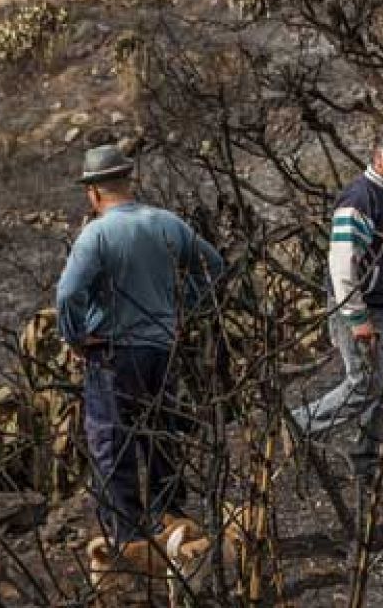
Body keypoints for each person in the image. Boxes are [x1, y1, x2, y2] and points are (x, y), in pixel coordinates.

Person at [57, 143, 224, 553]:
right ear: (128, 181)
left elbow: (67, 294)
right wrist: (184, 306)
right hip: (163, 350)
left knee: (112, 442)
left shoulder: (96, 234)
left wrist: (76, 337)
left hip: (113, 354)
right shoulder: (168, 223)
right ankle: (176, 526)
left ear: (93, 192)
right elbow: (215, 267)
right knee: (161, 433)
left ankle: (129, 540)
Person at [292, 123, 383, 488]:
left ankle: (366, 465)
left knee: (379, 388)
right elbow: (343, 263)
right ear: (378, 156)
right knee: (364, 385)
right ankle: (298, 424)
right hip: (361, 309)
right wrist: (357, 317)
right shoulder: (360, 198)